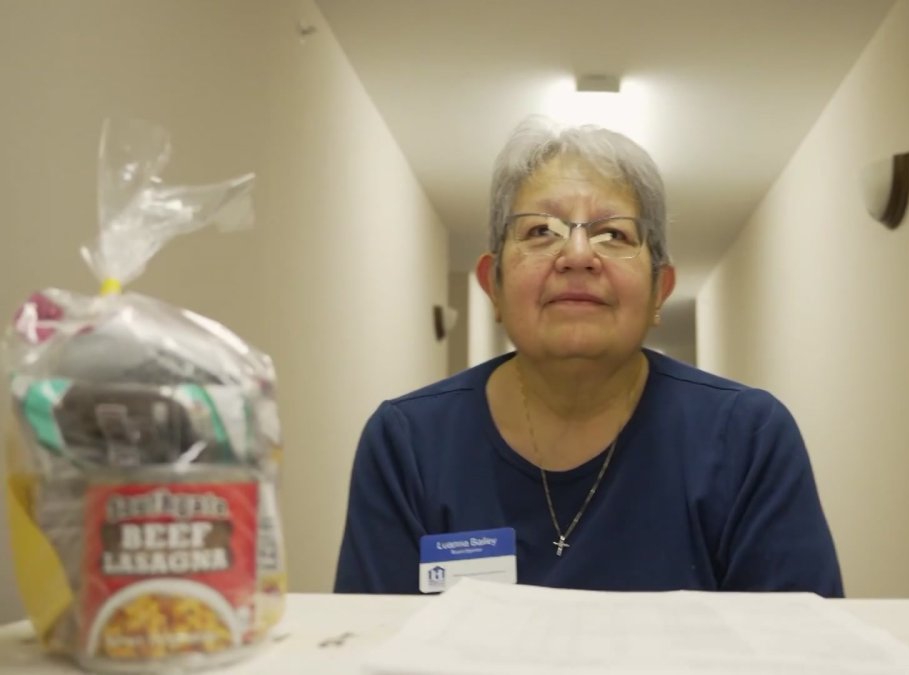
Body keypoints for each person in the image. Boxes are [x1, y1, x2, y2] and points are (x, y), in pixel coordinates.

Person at [334, 117, 843, 595]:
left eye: (613, 234)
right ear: (493, 285)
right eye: (541, 231)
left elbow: (803, 644)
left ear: (660, 290)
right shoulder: (408, 443)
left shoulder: (747, 438)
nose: (578, 256)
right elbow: (371, 640)